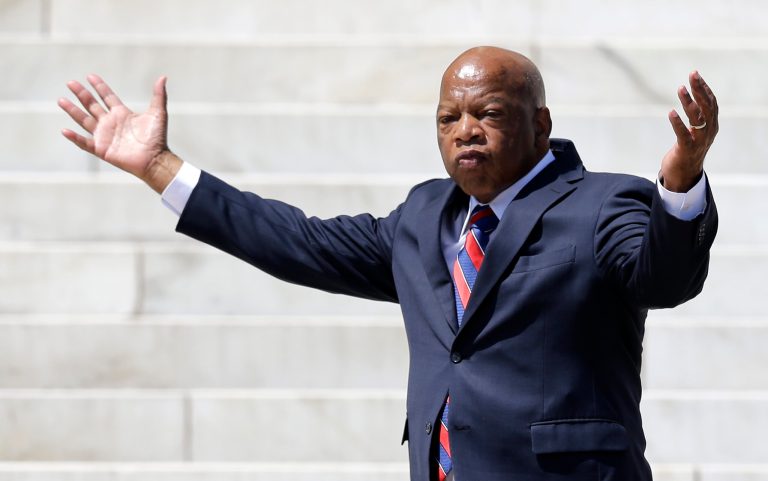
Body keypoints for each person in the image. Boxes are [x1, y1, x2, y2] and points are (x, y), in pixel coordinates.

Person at [59, 46, 718, 481]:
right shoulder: (425, 217)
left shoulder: (603, 203)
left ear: (540, 124)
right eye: (448, 117)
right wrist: (159, 167)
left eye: (487, 113)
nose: (465, 130)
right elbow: (299, 242)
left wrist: (681, 182)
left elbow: (665, 277)